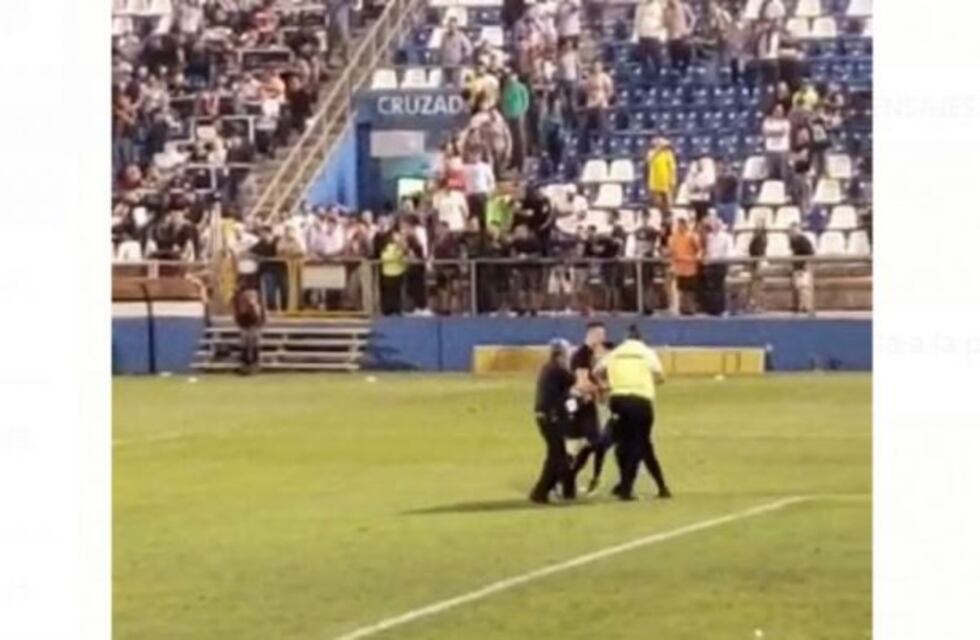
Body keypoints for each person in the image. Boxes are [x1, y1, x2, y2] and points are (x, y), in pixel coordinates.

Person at [594, 325, 671, 501]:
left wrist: (606, 384)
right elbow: (660, 376)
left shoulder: (616, 352)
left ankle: (627, 485)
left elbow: (597, 371)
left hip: (618, 401)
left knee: (624, 443)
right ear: (640, 338)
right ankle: (628, 488)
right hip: (640, 402)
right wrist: (647, 382)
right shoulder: (647, 352)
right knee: (641, 445)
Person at [529, 339, 578, 503]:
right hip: (551, 417)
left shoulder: (548, 369)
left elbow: (564, 395)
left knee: (558, 455)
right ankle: (541, 492)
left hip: (545, 416)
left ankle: (563, 490)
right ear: (561, 354)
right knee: (557, 456)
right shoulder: (558, 370)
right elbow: (574, 382)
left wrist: (572, 408)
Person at [568, 322, 611, 495]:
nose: (603, 339)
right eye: (600, 335)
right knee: (591, 443)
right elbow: (582, 383)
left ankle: (570, 477)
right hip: (578, 405)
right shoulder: (582, 355)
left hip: (584, 404)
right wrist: (604, 388)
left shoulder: (590, 355)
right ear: (591, 334)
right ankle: (567, 476)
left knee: (588, 443)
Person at [667, 216, 702, 315]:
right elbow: (671, 252)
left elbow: (699, 250)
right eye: (679, 224)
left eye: (682, 224)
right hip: (679, 268)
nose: (680, 226)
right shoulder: (673, 238)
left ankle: (690, 308)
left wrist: (697, 258)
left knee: (690, 290)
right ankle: (682, 308)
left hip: (690, 267)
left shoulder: (692, 236)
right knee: (681, 289)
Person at [701, 217, 733, 315]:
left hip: (721, 264)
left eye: (717, 225)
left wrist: (724, 260)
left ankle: (721, 308)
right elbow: (707, 250)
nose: (715, 226)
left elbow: (729, 250)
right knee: (711, 286)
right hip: (711, 264)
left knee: (719, 287)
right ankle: (712, 309)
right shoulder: (709, 237)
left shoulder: (726, 237)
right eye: (713, 225)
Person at [500, 72, 531, 172]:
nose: (510, 79)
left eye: (512, 77)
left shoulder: (521, 87)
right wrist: (504, 113)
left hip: (518, 115)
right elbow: (503, 101)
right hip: (509, 116)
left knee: (520, 139)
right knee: (511, 139)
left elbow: (526, 101)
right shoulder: (506, 88)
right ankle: (513, 161)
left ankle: (521, 163)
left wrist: (522, 112)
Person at [233, 284, 265, 375]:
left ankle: (255, 364)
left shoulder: (256, 304)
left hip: (254, 325)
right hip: (245, 325)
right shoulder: (241, 302)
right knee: (245, 344)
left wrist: (260, 322)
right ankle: (245, 365)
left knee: (254, 344)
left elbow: (260, 314)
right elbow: (238, 314)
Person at [634, 0, 666, 79]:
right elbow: (637, 21)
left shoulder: (659, 5)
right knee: (643, 59)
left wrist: (663, 36)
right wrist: (635, 37)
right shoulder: (640, 6)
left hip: (654, 36)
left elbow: (664, 20)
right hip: (642, 35)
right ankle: (645, 76)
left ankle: (658, 75)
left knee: (657, 58)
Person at [647, 138, 677, 222]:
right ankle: (662, 216)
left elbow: (672, 168)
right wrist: (658, 150)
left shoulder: (668, 153)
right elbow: (649, 160)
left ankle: (668, 216)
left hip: (666, 181)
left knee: (668, 202)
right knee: (658, 202)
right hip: (655, 181)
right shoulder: (651, 153)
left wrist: (672, 179)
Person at [788, 223, 815, 314]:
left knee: (804, 286)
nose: (792, 232)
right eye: (791, 231)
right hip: (797, 266)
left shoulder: (803, 240)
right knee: (798, 287)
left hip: (803, 266)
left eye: (794, 230)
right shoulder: (793, 241)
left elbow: (810, 252)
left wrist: (807, 264)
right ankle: (799, 306)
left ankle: (806, 306)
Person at [440, 17, 474, 86]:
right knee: (443, 85)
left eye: (453, 26)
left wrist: (463, 59)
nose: (451, 27)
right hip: (445, 65)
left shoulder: (461, 36)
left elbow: (469, 48)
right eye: (450, 26)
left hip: (457, 66)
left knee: (457, 86)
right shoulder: (444, 36)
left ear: (456, 26)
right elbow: (442, 48)